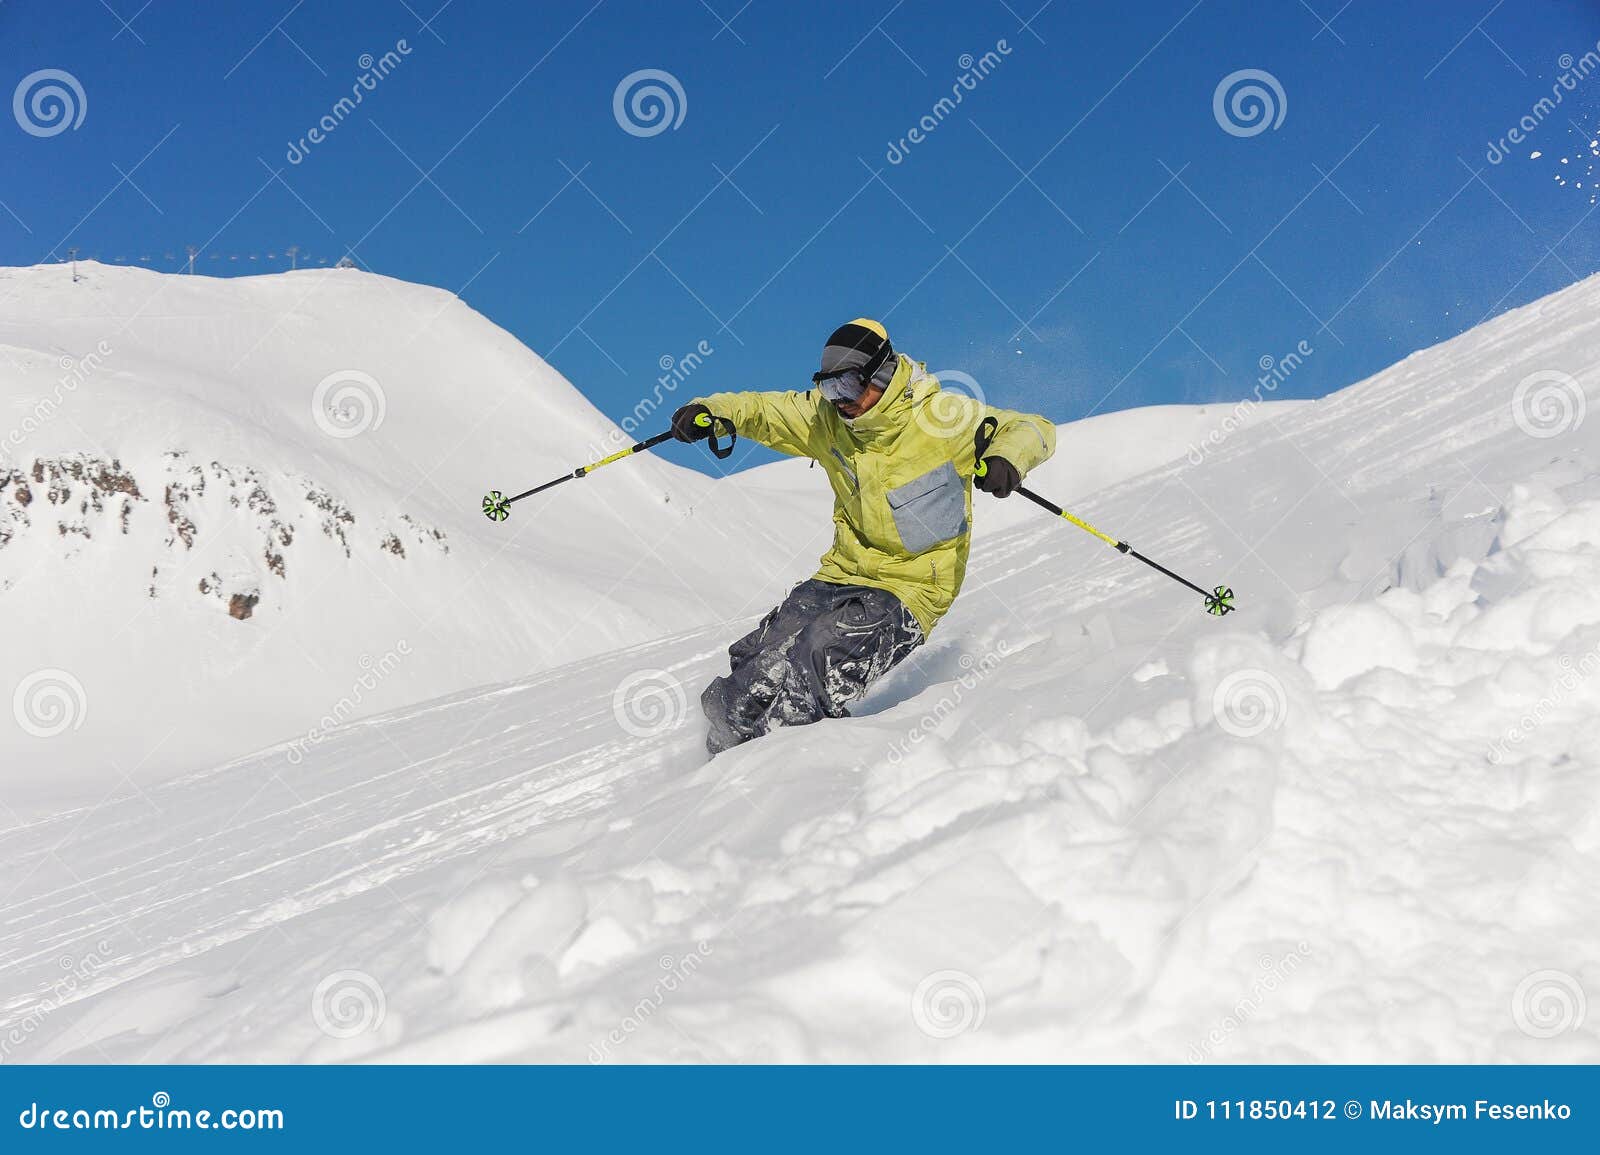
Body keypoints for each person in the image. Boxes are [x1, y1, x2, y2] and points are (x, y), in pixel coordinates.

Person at [672, 318, 1056, 755]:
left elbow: (1033, 427)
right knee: (758, 663)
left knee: (814, 662)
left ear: (882, 374)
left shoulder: (940, 419)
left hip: (911, 586)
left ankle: (784, 774)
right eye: (829, 389)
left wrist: (1007, 456)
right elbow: (762, 410)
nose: (840, 402)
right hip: (841, 573)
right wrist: (711, 412)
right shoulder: (828, 420)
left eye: (849, 387)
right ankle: (712, 771)